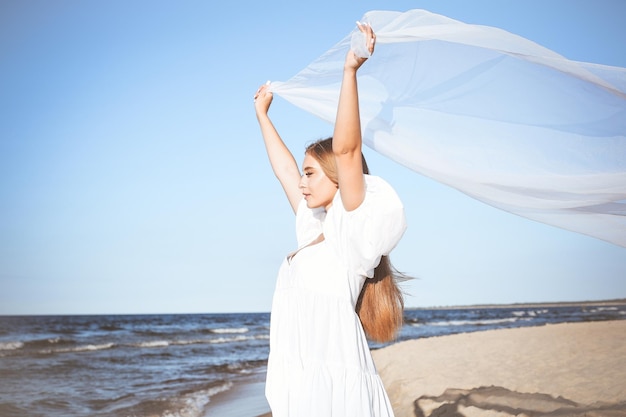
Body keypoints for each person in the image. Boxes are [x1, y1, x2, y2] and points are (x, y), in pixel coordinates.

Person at [253, 22, 406, 417]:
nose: (302, 184)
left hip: (338, 386)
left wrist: (350, 72)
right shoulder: (313, 229)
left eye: (311, 173)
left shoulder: (351, 230)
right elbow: (285, 172)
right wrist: (262, 116)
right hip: (305, 383)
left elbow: (348, 149)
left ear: (338, 180)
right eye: (304, 174)